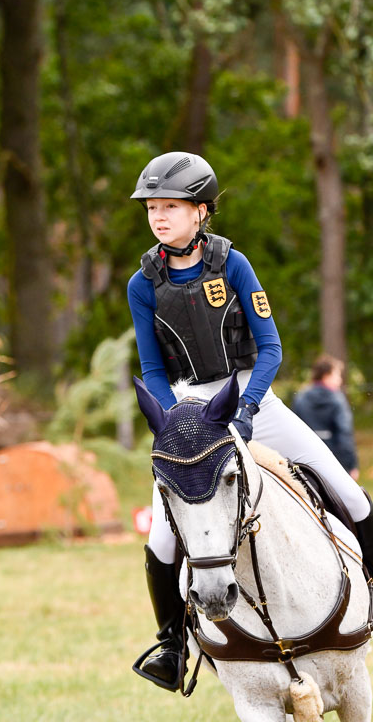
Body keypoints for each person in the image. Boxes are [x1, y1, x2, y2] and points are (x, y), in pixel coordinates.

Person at [127, 151, 373, 690]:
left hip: (250, 395)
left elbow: (270, 349)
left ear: (202, 211)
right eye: (152, 208)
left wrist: (246, 410)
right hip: (188, 409)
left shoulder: (233, 264)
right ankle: (172, 648)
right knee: (162, 544)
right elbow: (151, 367)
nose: (159, 216)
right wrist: (177, 422)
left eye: (170, 206)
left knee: (350, 496)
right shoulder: (141, 284)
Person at [293, 355, 359, 481]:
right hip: (335, 462)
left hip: (306, 461)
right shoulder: (337, 400)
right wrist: (351, 465)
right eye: (337, 375)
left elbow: (294, 430)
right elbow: (344, 433)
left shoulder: (301, 398)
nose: (340, 380)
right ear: (326, 375)